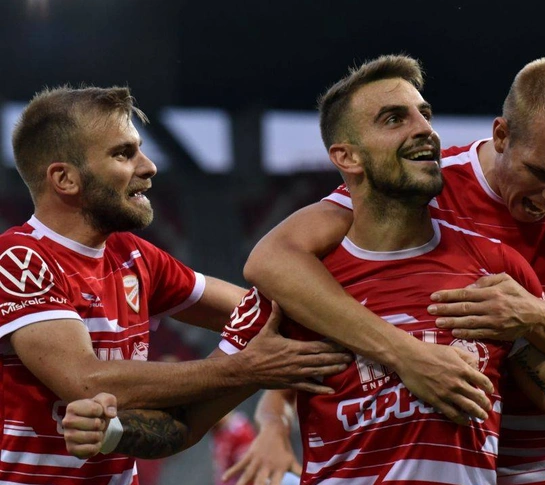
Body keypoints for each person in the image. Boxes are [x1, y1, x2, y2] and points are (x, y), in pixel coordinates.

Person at [61, 56, 545, 485]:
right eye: (394, 118)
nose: (424, 127)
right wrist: (118, 432)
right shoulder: (301, 285)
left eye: (424, 113)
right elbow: (191, 418)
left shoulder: (494, 272)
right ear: (346, 159)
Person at [236, 55, 545, 484]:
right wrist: (275, 416)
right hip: (468, 460)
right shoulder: (426, 184)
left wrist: (537, 319)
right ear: (501, 135)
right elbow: (277, 263)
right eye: (540, 173)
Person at [0, 86, 351, 485]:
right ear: (65, 178)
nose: (149, 167)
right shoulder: (18, 258)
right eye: (123, 154)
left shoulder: (133, 255)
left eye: (140, 150)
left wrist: (275, 416)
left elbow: (264, 312)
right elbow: (85, 381)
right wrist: (244, 369)